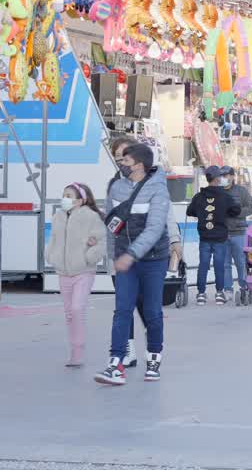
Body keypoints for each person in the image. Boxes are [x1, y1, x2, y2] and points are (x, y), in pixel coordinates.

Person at [96, 143, 172, 386]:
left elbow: (155, 228)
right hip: (124, 260)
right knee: (122, 310)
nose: (122, 165)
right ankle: (115, 363)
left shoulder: (158, 189)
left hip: (152, 260)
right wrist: (112, 257)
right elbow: (111, 224)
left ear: (139, 165)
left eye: (126, 162)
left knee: (151, 311)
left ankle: (153, 358)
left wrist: (131, 254)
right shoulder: (116, 187)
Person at [47, 182, 106, 367]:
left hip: (83, 272)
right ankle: (74, 353)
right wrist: (50, 255)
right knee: (69, 313)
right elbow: (54, 239)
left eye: (69, 195)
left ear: (81, 200)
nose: (65, 198)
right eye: (64, 194)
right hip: (63, 272)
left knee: (77, 309)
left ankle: (79, 349)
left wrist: (90, 256)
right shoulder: (58, 216)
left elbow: (101, 240)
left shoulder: (91, 217)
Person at [185, 166, 240, 305]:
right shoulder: (225, 196)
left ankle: (201, 294)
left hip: (204, 236)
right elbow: (236, 210)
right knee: (219, 265)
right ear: (217, 179)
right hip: (220, 236)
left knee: (203, 265)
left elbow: (190, 211)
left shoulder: (199, 196)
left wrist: (202, 213)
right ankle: (219, 293)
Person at [222, 167, 252, 298]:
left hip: (239, 232)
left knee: (241, 262)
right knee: (224, 264)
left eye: (226, 175)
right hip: (222, 233)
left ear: (232, 176)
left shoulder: (241, 191)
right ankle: (227, 289)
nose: (224, 178)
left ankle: (244, 286)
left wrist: (238, 212)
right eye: (221, 175)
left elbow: (251, 208)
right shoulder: (217, 192)